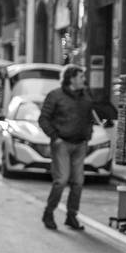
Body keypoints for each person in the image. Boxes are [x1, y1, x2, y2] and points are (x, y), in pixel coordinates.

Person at [38, 65, 94, 231]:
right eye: (81, 77)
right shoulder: (55, 96)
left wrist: (88, 135)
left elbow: (89, 117)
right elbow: (43, 119)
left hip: (80, 144)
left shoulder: (86, 96)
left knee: (78, 182)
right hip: (62, 143)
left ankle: (71, 216)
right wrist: (55, 138)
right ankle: (49, 212)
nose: (84, 79)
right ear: (71, 79)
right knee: (61, 180)